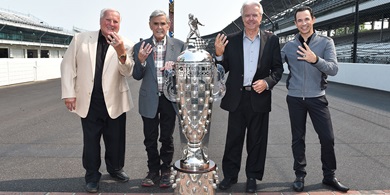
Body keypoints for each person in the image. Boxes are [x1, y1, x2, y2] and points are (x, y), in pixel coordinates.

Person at [60, 8, 134, 193]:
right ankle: (92, 176)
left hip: (115, 100)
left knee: (115, 140)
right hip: (89, 102)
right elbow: (68, 66)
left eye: (115, 21)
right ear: (101, 21)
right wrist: (69, 93)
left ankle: (115, 169)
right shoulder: (81, 39)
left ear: (120, 24)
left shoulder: (127, 44)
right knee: (91, 142)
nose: (111, 24)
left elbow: (127, 71)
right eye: (108, 20)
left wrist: (120, 51)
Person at [214, 0, 283, 193]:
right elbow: (222, 68)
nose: (251, 19)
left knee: (257, 141)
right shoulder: (231, 39)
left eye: (255, 15)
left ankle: (252, 177)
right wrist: (219, 55)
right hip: (237, 98)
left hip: (259, 97)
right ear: (242, 18)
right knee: (233, 140)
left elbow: (278, 69)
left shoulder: (272, 40)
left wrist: (267, 82)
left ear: (261, 17)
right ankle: (230, 176)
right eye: (247, 15)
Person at [281, 6, 349, 192]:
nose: (303, 23)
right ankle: (299, 176)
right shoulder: (288, 46)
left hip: (317, 98)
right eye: (299, 20)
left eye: (306, 19)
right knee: (298, 138)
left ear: (313, 19)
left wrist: (314, 59)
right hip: (294, 98)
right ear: (295, 23)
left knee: (327, 138)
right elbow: (274, 64)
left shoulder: (326, 42)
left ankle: (329, 176)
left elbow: (333, 69)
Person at [132, 10, 185, 188]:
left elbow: (185, 75)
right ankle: (152, 171)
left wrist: (176, 68)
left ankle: (166, 170)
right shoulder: (140, 46)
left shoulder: (179, 46)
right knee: (150, 138)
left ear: (168, 25)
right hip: (149, 99)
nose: (159, 27)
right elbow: (137, 76)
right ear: (150, 25)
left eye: (163, 24)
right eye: (156, 24)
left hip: (169, 98)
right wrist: (140, 60)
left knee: (167, 137)